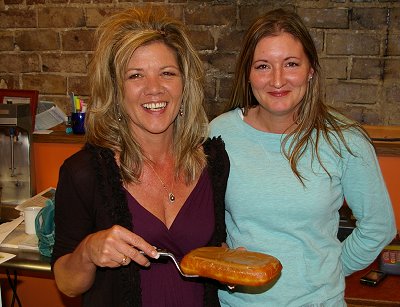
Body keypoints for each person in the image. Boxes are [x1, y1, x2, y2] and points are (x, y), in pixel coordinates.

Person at [210, 8, 396, 307]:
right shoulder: (218, 134)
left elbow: (378, 227)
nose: (277, 80)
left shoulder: (345, 140)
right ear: (248, 73)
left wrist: (329, 270)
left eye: (291, 64)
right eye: (263, 66)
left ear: (310, 69)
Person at [51, 7, 229, 307]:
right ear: (116, 90)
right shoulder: (83, 172)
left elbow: (215, 250)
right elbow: (67, 285)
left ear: (184, 85)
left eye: (167, 73)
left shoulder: (213, 162)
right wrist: (89, 251)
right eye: (136, 76)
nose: (154, 89)